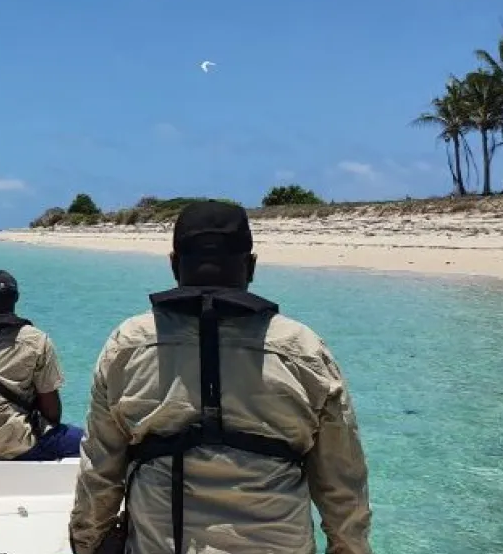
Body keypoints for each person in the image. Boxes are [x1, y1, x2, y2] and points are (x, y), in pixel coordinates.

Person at [68, 201, 373, 554]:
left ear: (173, 265)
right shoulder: (303, 349)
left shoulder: (127, 344)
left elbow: (99, 472)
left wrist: (87, 543)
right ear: (252, 266)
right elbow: (344, 482)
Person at [0, 269, 85, 461]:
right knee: (94, 442)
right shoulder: (37, 340)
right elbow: (52, 411)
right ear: (16, 298)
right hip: (16, 443)